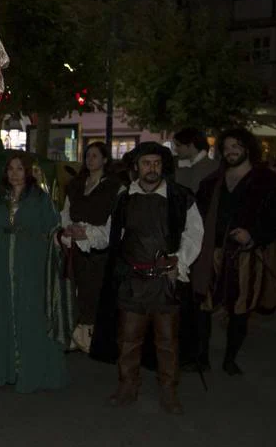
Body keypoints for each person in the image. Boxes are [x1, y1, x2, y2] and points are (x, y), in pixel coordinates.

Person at [86, 143, 202, 413]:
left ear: (163, 166)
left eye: (157, 163)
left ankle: (169, 391)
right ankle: (128, 386)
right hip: (133, 282)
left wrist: (180, 261)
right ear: (136, 167)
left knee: (167, 342)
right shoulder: (124, 199)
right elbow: (110, 234)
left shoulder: (180, 197)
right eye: (146, 163)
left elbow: (195, 233)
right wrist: (84, 236)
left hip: (165, 282)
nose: (152, 168)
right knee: (128, 340)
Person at [191, 129, 276, 376]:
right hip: (211, 253)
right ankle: (201, 357)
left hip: (246, 256)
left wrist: (254, 235)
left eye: (236, 146)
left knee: (240, 308)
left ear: (247, 148)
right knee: (203, 304)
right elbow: (196, 217)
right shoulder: (211, 183)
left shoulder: (269, 182)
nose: (230, 151)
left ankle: (230, 358)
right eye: (226, 147)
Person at [0, 152, 71, 391]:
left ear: (28, 172)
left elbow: (52, 227)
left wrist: (61, 238)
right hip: (2, 266)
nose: (15, 173)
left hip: (31, 265)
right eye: (11, 169)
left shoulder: (40, 198)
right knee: (1, 312)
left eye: (19, 169)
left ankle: (31, 371)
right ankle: (3, 369)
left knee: (31, 313)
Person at [59, 141, 120, 354]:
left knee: (94, 292)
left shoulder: (114, 187)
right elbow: (66, 211)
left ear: (104, 159)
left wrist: (90, 234)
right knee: (74, 288)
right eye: (88, 155)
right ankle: (76, 334)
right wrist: (68, 228)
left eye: (95, 155)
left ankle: (92, 337)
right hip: (74, 246)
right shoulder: (76, 184)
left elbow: (115, 222)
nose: (90, 159)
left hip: (98, 249)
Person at [173, 128, 218, 193]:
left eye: (178, 145)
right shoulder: (181, 165)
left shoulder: (213, 168)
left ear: (191, 145)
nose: (175, 149)